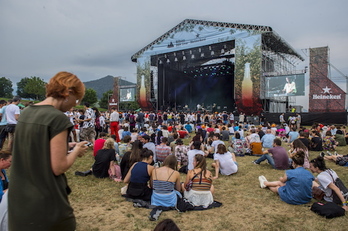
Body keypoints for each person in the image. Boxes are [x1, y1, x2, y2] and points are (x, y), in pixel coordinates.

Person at [8, 71, 88, 230]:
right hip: (46, 206)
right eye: (76, 99)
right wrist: (76, 150)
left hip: (20, 204)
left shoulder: (26, 113)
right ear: (68, 92)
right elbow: (59, 167)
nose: (75, 104)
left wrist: (65, 148)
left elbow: (32, 149)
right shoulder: (57, 118)